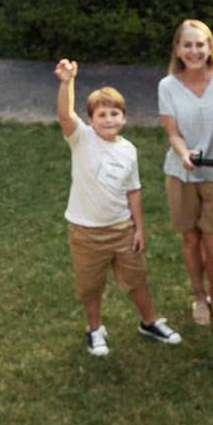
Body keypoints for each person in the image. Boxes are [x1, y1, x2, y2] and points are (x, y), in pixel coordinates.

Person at [54, 58, 182, 357]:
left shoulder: (128, 150)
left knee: (137, 278)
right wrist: (67, 83)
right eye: (102, 114)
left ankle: (150, 322)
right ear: (90, 120)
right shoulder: (81, 139)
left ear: (124, 118)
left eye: (115, 113)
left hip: (122, 229)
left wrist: (139, 228)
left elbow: (133, 190)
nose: (109, 119)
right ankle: (94, 329)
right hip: (86, 232)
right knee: (90, 285)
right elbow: (64, 114)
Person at [158, 19, 213, 325]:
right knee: (191, 241)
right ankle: (198, 296)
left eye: (200, 44)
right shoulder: (167, 86)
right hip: (182, 175)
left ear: (210, 47)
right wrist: (184, 154)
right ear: (178, 49)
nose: (194, 51)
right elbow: (172, 133)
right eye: (188, 45)